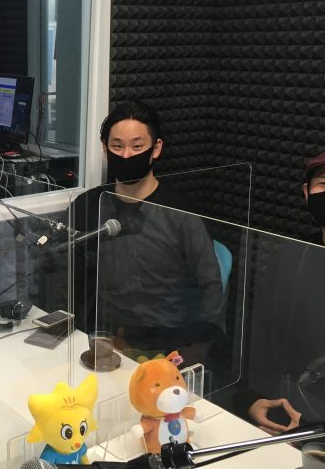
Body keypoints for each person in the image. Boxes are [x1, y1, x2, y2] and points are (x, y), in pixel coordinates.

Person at [68, 100, 224, 362]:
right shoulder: (88, 206)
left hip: (165, 344)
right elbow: (67, 275)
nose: (126, 155)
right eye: (117, 146)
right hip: (104, 340)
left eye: (137, 146)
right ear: (105, 149)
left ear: (156, 149)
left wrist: (193, 349)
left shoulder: (181, 213)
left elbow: (211, 286)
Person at [235, 151, 325, 434]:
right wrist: (253, 399)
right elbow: (262, 334)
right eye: (324, 183)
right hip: (286, 409)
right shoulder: (292, 257)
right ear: (307, 193)